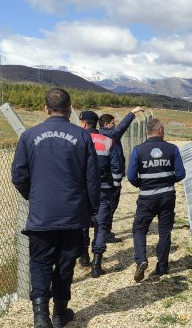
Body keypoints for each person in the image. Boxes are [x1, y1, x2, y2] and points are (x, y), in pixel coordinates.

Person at [11, 88, 100, 328]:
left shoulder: (29, 136)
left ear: (45, 109)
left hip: (42, 214)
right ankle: (60, 313)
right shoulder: (82, 137)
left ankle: (41, 317)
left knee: (40, 262)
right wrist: (91, 210)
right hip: (72, 213)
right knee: (65, 263)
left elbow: (19, 176)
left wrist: (36, 197)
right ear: (70, 108)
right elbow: (92, 179)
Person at [126, 118, 186, 282]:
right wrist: (168, 181)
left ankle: (141, 260)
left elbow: (131, 176)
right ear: (160, 130)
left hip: (146, 198)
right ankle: (162, 266)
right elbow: (181, 174)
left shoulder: (138, 150)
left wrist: (142, 184)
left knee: (139, 229)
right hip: (167, 196)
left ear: (148, 131)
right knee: (164, 231)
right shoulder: (172, 149)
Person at [77, 110, 116, 278]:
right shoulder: (107, 141)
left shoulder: (76, 140)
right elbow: (116, 166)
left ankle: (83, 256)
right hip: (104, 187)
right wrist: (115, 185)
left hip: (82, 189)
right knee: (100, 225)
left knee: (82, 224)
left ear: (84, 124)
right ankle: (96, 263)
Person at [97, 106, 145, 243]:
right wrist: (132, 113)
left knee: (104, 205)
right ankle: (105, 232)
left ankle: (103, 230)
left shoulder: (97, 135)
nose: (115, 125)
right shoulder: (109, 135)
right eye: (113, 123)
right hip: (111, 179)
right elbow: (121, 128)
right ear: (106, 124)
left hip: (100, 178)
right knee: (110, 205)